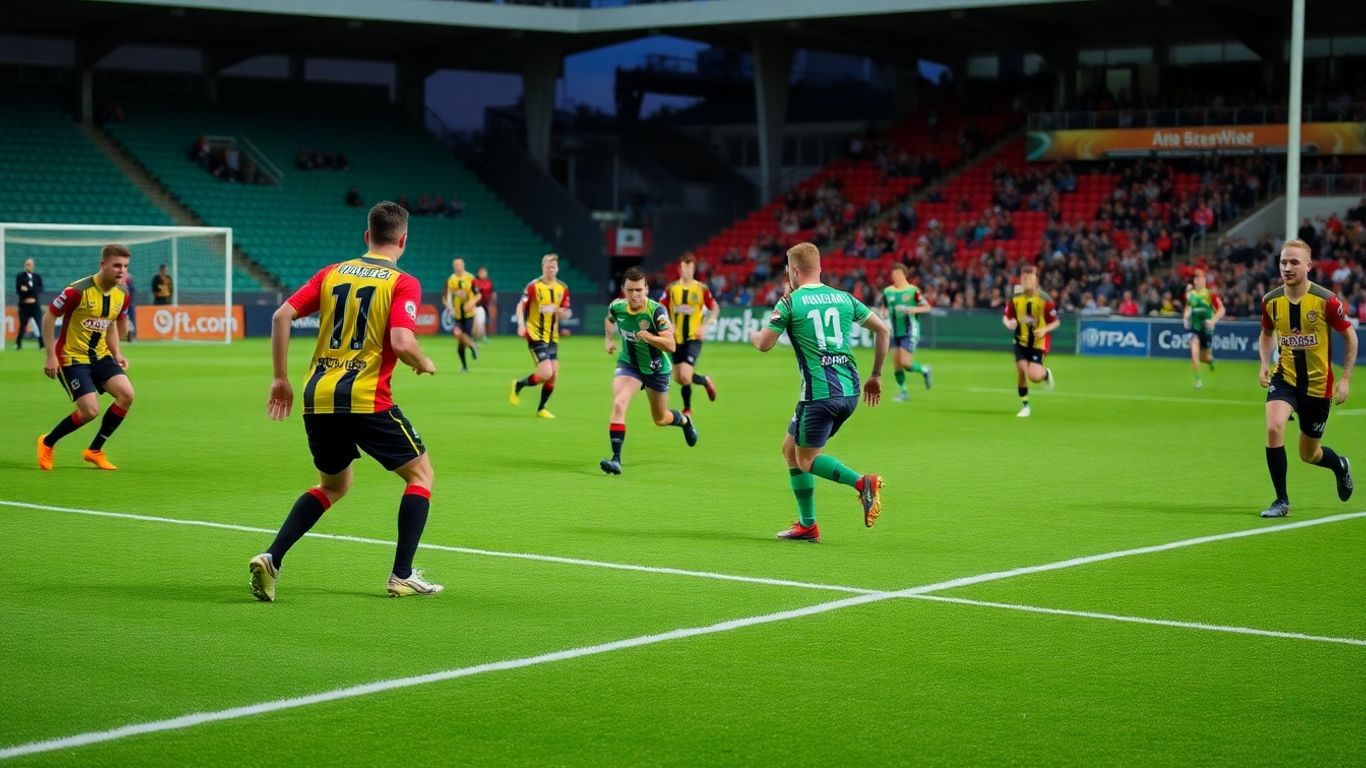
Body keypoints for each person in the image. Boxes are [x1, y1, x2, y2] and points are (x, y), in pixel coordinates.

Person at [250, 201, 442, 601]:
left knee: (333, 484)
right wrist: (422, 361)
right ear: (403, 239)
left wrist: (280, 379)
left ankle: (273, 557)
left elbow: (280, 317)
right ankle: (402, 575)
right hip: (365, 397)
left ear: (366, 236)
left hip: (317, 397)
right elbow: (402, 342)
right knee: (420, 476)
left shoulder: (332, 272)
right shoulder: (402, 282)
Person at [749, 242, 890, 543]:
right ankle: (807, 525)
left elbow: (764, 343)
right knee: (790, 449)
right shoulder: (844, 298)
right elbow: (883, 330)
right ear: (820, 268)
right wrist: (876, 375)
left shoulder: (790, 303)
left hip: (818, 396)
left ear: (794, 271)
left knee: (806, 460)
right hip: (850, 391)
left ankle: (863, 483)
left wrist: (752, 334)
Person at [1257, 238, 1355, 519]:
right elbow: (1266, 333)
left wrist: (1345, 378)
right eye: (1283, 262)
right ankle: (1281, 501)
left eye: (1294, 262)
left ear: (1309, 266)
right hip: (1284, 378)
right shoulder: (1271, 301)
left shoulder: (1326, 301)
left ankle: (1340, 466)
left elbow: (1350, 337)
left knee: (1308, 454)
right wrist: (1264, 363)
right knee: (1274, 427)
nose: (1287, 267)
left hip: (1317, 386)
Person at [36, 244, 135, 472]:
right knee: (90, 411)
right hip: (72, 357)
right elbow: (49, 316)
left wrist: (117, 353)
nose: (122, 271)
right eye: (117, 265)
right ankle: (47, 442)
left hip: (100, 356)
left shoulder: (122, 295)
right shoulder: (77, 291)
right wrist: (50, 356)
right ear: (103, 265)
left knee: (127, 395)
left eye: (126, 267)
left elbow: (110, 324)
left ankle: (94, 450)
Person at [600, 267, 698, 475]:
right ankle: (616, 459)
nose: (634, 295)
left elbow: (671, 345)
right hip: (629, 365)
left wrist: (650, 337)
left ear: (646, 289)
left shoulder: (656, 311)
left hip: (656, 369)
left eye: (638, 290)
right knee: (619, 403)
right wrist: (608, 340)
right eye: (630, 290)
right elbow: (609, 321)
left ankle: (685, 420)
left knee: (660, 419)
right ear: (623, 290)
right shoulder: (617, 307)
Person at [510, 254, 570, 419]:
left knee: (554, 375)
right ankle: (518, 385)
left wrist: (562, 313)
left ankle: (541, 408)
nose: (551, 270)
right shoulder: (533, 286)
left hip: (553, 337)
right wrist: (521, 325)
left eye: (554, 267)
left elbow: (566, 311)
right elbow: (520, 306)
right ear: (542, 267)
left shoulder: (562, 288)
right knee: (546, 373)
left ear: (557, 269)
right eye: (548, 267)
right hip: (535, 334)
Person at [659, 253, 720, 418]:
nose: (687, 271)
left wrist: (705, 326)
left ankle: (687, 409)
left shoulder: (702, 289)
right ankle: (705, 381)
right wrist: (667, 323)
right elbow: (660, 307)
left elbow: (715, 308)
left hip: (694, 336)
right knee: (679, 377)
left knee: (685, 375)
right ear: (680, 268)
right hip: (676, 337)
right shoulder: (671, 289)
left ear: (693, 269)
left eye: (690, 267)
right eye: (684, 267)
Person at [1003, 264, 1057, 418]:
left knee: (1034, 376)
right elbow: (1007, 317)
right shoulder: (1015, 297)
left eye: (1030, 278)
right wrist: (1010, 323)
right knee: (1021, 371)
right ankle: (1025, 405)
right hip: (1020, 340)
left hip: (1038, 342)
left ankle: (1045, 374)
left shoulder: (1044, 299)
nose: (1026, 281)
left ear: (1036, 279)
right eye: (1024, 278)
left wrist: (1044, 330)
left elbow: (1054, 321)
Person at [878, 263, 933, 402]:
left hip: (910, 331)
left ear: (904, 275)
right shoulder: (888, 291)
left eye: (898, 274)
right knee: (897, 364)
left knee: (905, 363)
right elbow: (884, 308)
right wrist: (883, 314)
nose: (895, 277)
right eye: (893, 274)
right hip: (895, 332)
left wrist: (913, 310)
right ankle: (903, 392)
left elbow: (927, 307)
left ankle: (925, 369)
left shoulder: (913, 291)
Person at [1184, 268, 1225, 390]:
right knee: (1194, 354)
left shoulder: (1210, 294)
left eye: (1201, 278)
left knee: (1204, 357)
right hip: (1195, 328)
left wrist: (1213, 320)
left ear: (1205, 280)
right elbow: (1187, 309)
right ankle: (1198, 381)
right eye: (1196, 278)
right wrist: (1186, 319)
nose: (1199, 280)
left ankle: (1211, 361)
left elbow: (1222, 309)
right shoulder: (1190, 295)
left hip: (1207, 329)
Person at [443, 257, 481, 372]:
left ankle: (465, 363)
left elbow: (478, 295)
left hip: (469, 314)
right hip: (457, 315)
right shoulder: (450, 280)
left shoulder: (471, 278)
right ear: (453, 266)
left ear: (464, 265)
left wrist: (471, 303)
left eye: (460, 264)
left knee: (461, 343)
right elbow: (445, 297)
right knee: (458, 335)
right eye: (456, 265)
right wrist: (448, 306)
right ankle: (472, 347)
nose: (458, 267)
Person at [14, 258, 44, 349]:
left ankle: (41, 344)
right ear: (24, 265)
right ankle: (18, 343)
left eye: (30, 264)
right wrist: (31, 291)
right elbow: (19, 291)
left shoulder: (37, 277)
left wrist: (28, 289)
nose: (28, 266)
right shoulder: (20, 276)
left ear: (33, 266)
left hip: (35, 306)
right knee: (23, 325)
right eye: (27, 264)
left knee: (39, 325)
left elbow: (40, 290)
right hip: (24, 306)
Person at [473, 266, 495, 339]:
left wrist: (492, 302)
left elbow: (493, 292)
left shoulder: (489, 282)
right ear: (478, 273)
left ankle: (482, 335)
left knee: (484, 321)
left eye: (485, 272)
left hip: (485, 304)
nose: (483, 274)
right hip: (475, 304)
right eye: (482, 272)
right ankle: (474, 336)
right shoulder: (475, 281)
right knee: (476, 321)